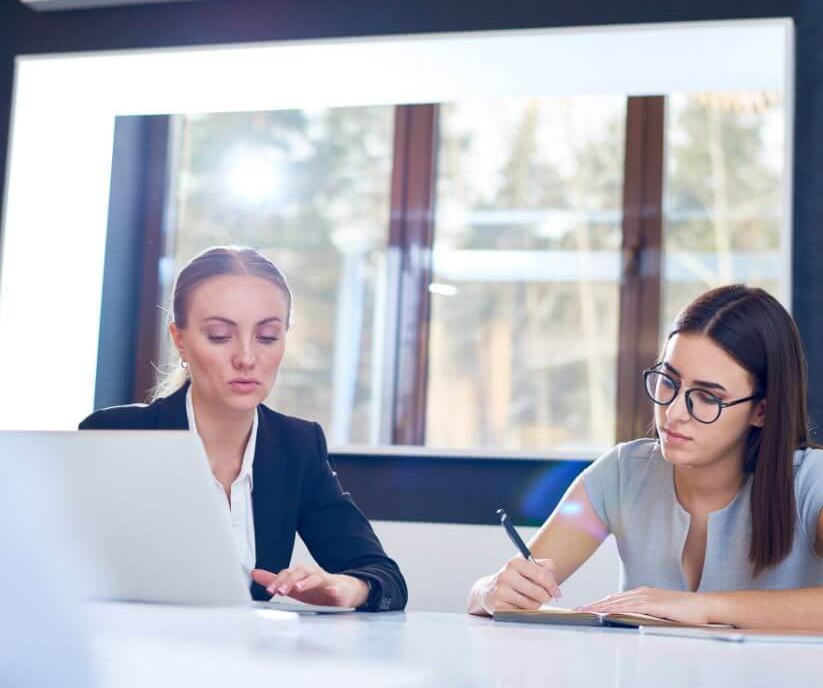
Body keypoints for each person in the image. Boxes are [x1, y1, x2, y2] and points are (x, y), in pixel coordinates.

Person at [468, 285, 823, 630]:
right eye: (668, 381)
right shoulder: (624, 473)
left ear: (761, 410)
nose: (673, 412)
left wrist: (703, 608)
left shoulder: (810, 483)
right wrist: (491, 591)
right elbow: (496, 593)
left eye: (706, 397)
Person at [81, 246, 406, 611]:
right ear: (180, 340)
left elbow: (384, 577)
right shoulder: (116, 437)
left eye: (267, 337)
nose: (247, 358)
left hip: (250, 659)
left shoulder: (297, 446)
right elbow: (67, 573)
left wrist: (346, 588)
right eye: (220, 336)